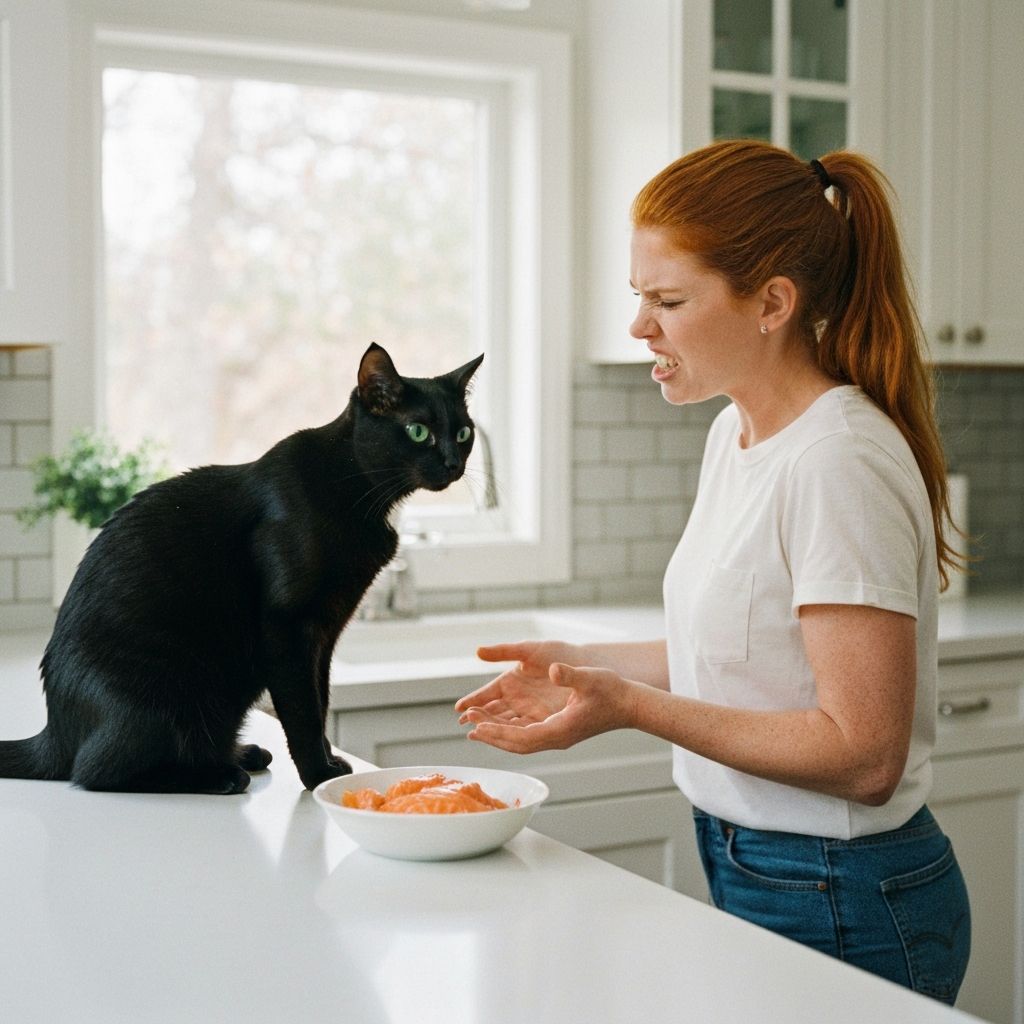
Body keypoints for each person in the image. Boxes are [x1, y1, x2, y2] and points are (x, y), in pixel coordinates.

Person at [455, 140, 971, 1004]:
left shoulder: (836, 462)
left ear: (771, 302)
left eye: (668, 300)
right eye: (638, 298)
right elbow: (741, 652)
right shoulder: (738, 438)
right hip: (756, 868)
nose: (640, 327)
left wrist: (629, 710)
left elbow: (862, 754)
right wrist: (582, 666)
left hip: (841, 892)